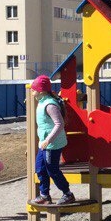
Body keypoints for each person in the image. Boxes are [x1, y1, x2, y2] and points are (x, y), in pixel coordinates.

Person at [29, 75, 77, 206]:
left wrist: (48, 140)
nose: (31, 92)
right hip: (45, 143)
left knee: (52, 170)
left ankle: (68, 194)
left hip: (52, 144)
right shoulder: (42, 102)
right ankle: (44, 195)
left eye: (33, 89)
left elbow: (59, 124)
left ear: (41, 91)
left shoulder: (49, 104)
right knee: (40, 168)